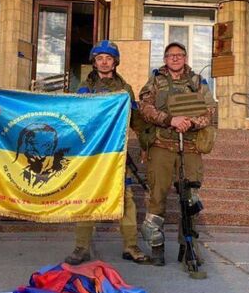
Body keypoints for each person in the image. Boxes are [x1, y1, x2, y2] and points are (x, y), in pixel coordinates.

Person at [64, 40, 151, 266]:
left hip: (116, 154)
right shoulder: (84, 89)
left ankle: (131, 246)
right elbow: (74, 118)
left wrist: (145, 145)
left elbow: (136, 120)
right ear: (94, 62)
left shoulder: (124, 90)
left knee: (126, 199)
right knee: (87, 198)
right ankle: (81, 247)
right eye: (99, 58)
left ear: (115, 62)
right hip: (91, 154)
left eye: (108, 58)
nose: (104, 62)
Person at [138, 42, 215, 272]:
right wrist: (170, 120)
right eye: (170, 55)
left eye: (179, 55)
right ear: (165, 59)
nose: (175, 58)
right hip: (162, 145)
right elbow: (144, 108)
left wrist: (190, 122)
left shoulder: (197, 82)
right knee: (157, 196)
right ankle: (157, 247)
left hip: (190, 147)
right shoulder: (155, 81)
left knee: (190, 198)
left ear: (185, 58)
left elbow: (209, 111)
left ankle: (188, 246)